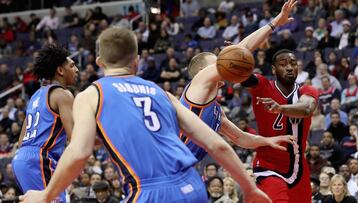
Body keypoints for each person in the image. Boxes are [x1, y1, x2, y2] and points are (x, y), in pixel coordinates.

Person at [20, 27, 270, 203]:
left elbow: (79, 152)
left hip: (148, 192)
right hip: (193, 187)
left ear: (99, 61)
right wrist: (249, 188)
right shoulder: (161, 93)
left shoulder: (91, 94)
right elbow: (217, 144)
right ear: (137, 61)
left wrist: (46, 194)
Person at [180, 0, 297, 163]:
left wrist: (267, 140)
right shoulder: (199, 82)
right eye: (216, 62)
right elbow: (243, 50)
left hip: (182, 170)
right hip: (166, 168)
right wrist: (276, 21)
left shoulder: (216, 110)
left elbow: (240, 138)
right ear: (202, 72)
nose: (222, 64)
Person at [223, 1, 317, 202]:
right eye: (283, 64)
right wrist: (275, 23)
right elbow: (240, 63)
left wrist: (281, 108)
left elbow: (307, 109)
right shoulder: (262, 85)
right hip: (268, 167)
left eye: (293, 63)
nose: (290, 67)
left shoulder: (307, 91)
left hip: (299, 168)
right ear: (274, 70)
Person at [12, 44, 79, 203]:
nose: (76, 69)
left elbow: (21, 141)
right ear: (60, 71)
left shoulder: (35, 96)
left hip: (22, 159)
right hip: (40, 159)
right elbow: (75, 136)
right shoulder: (62, 94)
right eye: (72, 65)